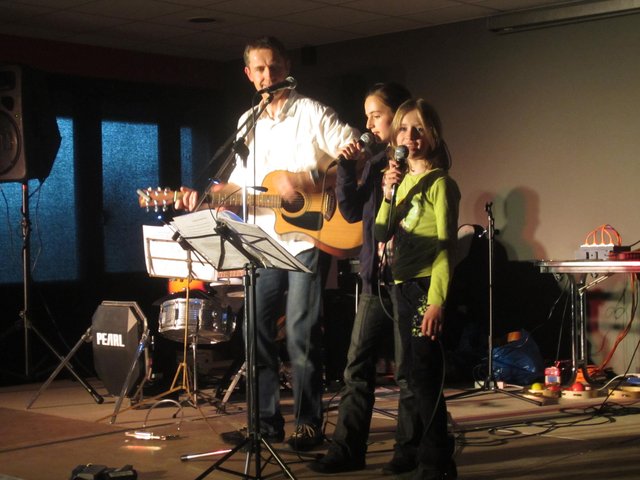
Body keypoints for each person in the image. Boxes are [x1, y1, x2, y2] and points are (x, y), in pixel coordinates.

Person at [179, 36, 357, 451]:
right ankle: (264, 423)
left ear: (287, 66)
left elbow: (356, 156)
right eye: (259, 69)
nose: (268, 76)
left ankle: (309, 422)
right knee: (254, 332)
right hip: (262, 243)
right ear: (248, 74)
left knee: (301, 333)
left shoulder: (312, 113)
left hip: (309, 238)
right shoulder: (247, 124)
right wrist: (208, 198)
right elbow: (244, 189)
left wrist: (312, 180)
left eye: (274, 67)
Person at [309, 82, 422, 475]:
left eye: (376, 114)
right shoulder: (374, 161)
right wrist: (345, 168)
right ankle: (347, 450)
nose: (368, 122)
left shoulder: (417, 162)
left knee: (408, 372)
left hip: (408, 281)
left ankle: (408, 452)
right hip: (375, 280)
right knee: (356, 368)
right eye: (367, 115)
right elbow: (353, 212)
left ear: (398, 115)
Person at [374, 98, 460, 480]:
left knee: (426, 378)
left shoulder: (442, 184)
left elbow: (447, 247)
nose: (411, 136)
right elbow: (381, 231)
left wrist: (437, 302)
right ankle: (415, 453)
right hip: (400, 286)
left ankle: (438, 463)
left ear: (433, 136)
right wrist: (389, 193)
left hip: (427, 286)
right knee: (410, 374)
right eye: (405, 129)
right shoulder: (401, 181)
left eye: (419, 129)